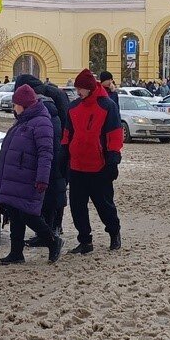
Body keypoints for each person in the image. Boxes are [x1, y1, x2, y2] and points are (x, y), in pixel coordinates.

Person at [0, 85, 63, 265]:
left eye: (15, 104)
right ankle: (16, 253)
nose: (13, 107)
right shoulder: (23, 121)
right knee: (15, 213)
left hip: (28, 178)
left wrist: (42, 179)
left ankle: (52, 241)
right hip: (17, 177)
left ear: (24, 105)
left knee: (28, 214)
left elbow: (46, 153)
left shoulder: (41, 122)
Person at [63, 69, 123, 254]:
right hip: (77, 166)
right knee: (77, 207)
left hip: (100, 166)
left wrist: (113, 159)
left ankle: (114, 233)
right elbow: (67, 135)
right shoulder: (73, 107)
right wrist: (64, 154)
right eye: (77, 88)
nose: (78, 92)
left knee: (104, 205)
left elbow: (114, 134)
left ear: (89, 88)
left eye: (80, 88)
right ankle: (85, 240)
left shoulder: (107, 106)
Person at [14, 74, 69, 246]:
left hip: (51, 161)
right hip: (54, 160)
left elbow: (44, 145)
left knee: (49, 196)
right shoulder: (49, 106)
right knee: (50, 195)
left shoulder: (44, 112)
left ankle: (50, 233)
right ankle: (49, 231)